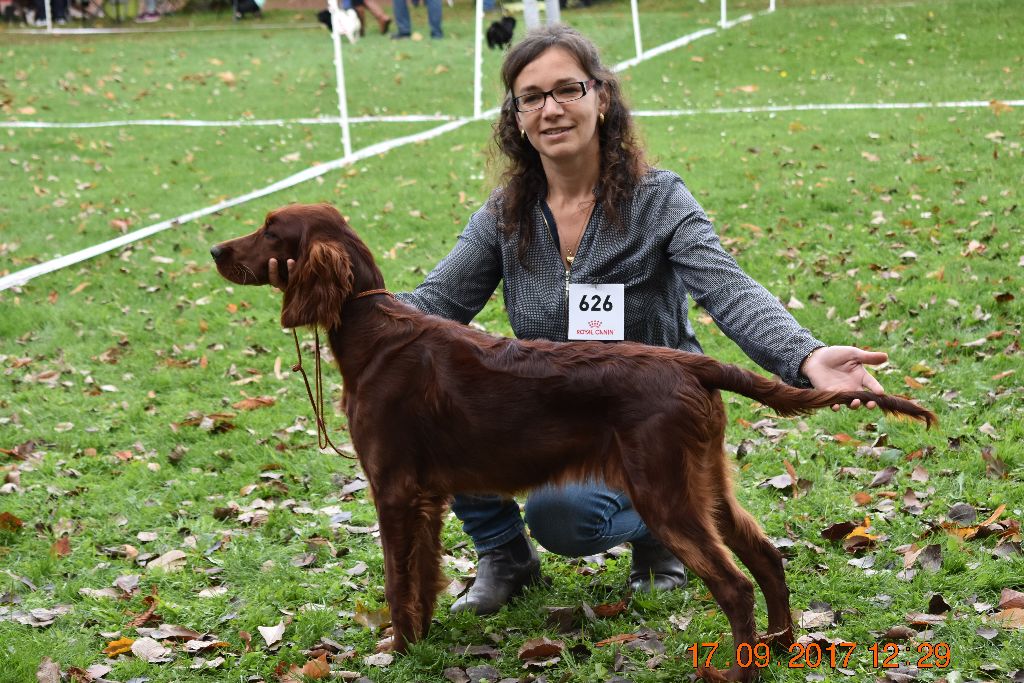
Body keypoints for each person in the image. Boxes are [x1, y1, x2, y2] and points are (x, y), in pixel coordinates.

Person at [270, 24, 888, 616]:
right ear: (516, 117)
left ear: (601, 97)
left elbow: (731, 291)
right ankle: (504, 559)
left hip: (645, 411)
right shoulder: (507, 212)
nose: (552, 109)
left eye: (568, 90)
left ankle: (661, 529)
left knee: (563, 516)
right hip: (543, 406)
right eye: (531, 98)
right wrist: (334, 290)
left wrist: (806, 358)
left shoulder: (658, 200)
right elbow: (433, 304)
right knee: (448, 406)